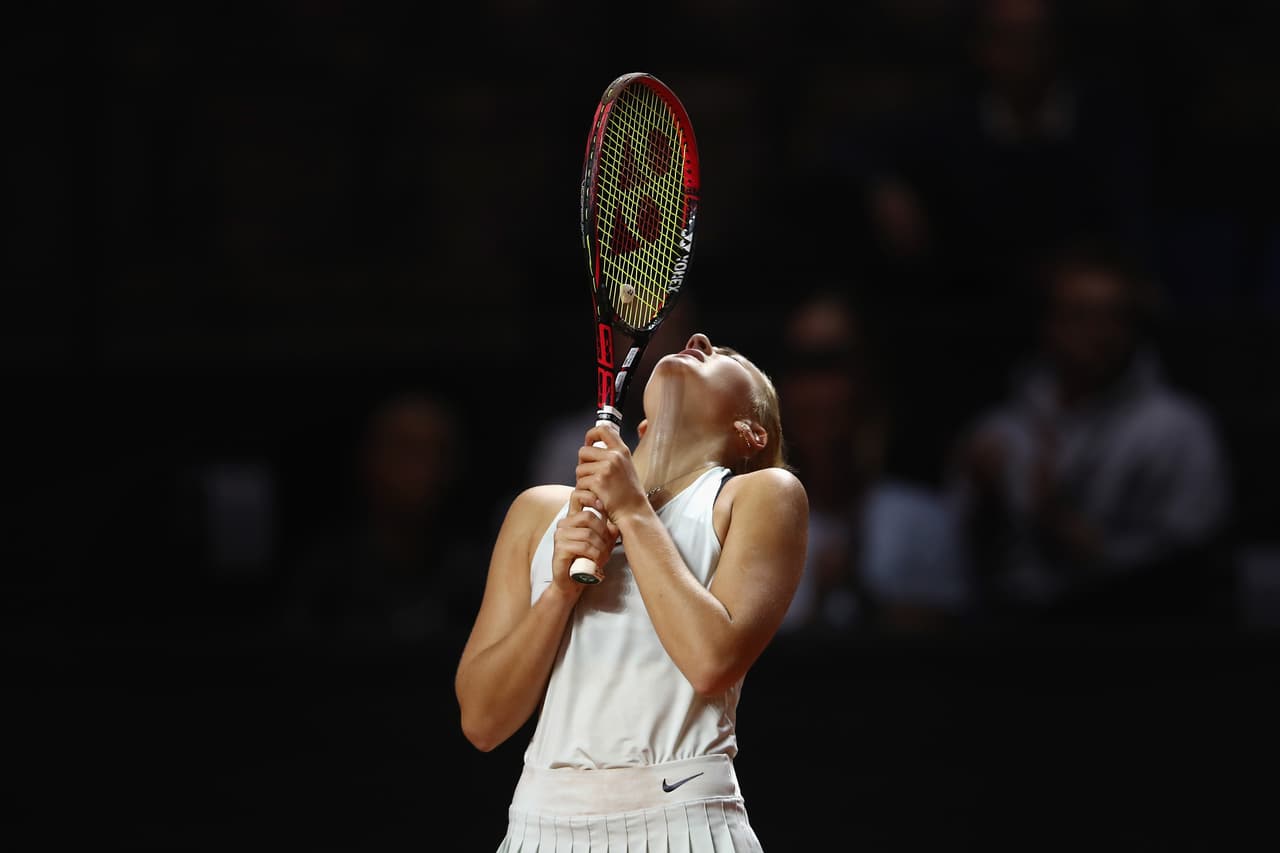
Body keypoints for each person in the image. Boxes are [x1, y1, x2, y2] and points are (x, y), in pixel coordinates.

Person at [455, 331, 808, 851]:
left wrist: (632, 511)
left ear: (751, 433)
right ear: (642, 425)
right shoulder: (539, 512)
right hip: (539, 822)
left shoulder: (759, 494)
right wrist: (558, 592)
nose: (700, 339)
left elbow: (713, 660)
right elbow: (483, 721)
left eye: (728, 357)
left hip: (681, 819)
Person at [946, 240, 1233, 625]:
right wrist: (986, 513)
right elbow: (950, 560)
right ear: (1048, 324)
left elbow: (1194, 559)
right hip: (1013, 642)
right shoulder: (999, 432)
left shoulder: (1179, 427)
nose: (1099, 332)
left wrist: (1080, 541)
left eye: (1115, 316)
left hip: (1136, 637)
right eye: (1080, 315)